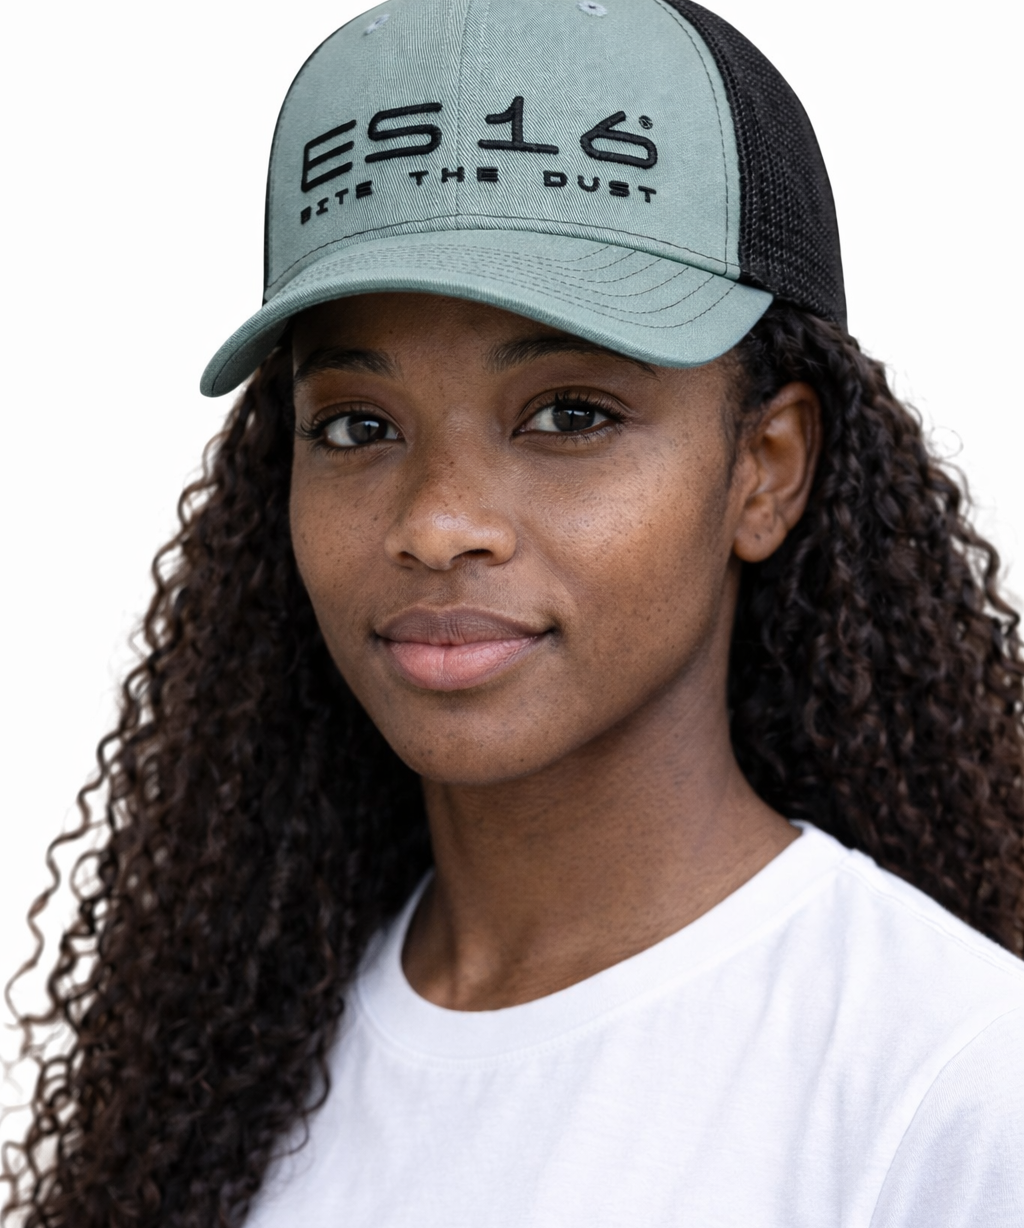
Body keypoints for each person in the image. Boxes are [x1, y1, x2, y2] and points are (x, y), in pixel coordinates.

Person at [4, 0, 1024, 1224]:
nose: (438, 522)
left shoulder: (952, 1089)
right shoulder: (216, 1061)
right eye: (358, 426)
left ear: (765, 469)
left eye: (570, 414)